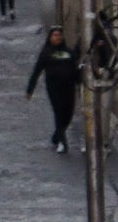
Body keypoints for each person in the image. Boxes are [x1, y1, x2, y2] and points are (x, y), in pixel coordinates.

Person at [26, 24, 82, 153]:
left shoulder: (68, 52)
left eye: (59, 35)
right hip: (54, 88)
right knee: (59, 112)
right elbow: (36, 71)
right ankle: (63, 142)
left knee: (68, 114)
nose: (58, 37)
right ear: (50, 37)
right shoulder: (46, 53)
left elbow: (75, 67)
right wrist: (30, 89)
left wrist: (79, 82)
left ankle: (57, 136)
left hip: (69, 87)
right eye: (55, 35)